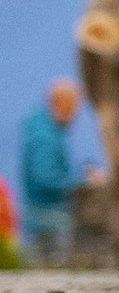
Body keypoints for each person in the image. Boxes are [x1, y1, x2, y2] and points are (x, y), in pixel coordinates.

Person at [20, 79, 78, 267]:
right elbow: (45, 178)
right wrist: (82, 179)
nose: (74, 115)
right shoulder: (44, 137)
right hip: (46, 220)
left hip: (45, 220)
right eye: (72, 108)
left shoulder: (46, 132)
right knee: (47, 272)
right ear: (60, 104)